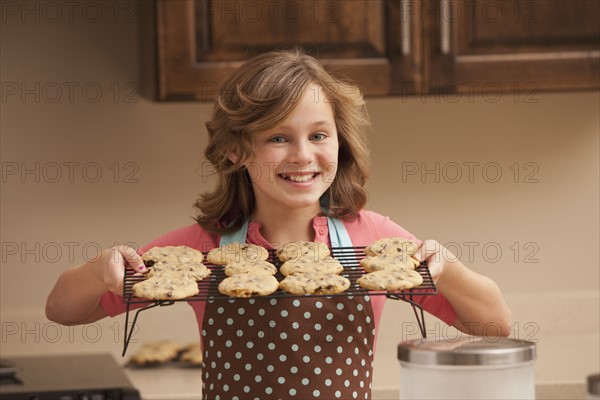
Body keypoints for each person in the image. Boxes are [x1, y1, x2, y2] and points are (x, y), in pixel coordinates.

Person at [46, 48, 512, 399]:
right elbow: (63, 310)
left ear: (340, 142)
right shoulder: (201, 249)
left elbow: (495, 324)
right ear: (234, 149)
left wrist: (445, 267)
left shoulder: (373, 241)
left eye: (318, 135)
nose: (303, 156)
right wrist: (96, 271)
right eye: (277, 137)